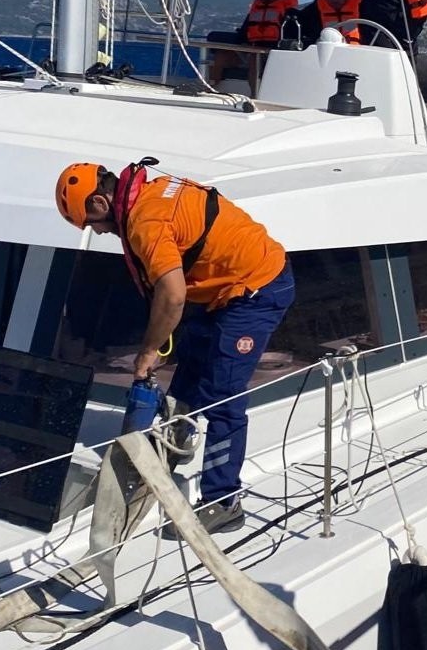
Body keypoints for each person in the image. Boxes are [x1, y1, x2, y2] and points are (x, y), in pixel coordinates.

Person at [54, 159, 295, 534]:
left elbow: (172, 294)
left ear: (101, 204)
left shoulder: (146, 223)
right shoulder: (150, 194)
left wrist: (147, 352)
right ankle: (170, 450)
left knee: (223, 396)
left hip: (255, 290)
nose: (99, 233)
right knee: (188, 374)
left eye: (92, 225)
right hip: (220, 291)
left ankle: (223, 502)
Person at [207, 0, 298, 85]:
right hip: (250, 48)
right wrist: (243, 42)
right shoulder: (256, 10)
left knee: (254, 59)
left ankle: (254, 96)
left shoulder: (290, 13)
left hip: (272, 52)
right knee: (220, 55)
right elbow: (243, 33)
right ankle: (211, 87)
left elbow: (291, 36)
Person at [294, 0, 363, 46]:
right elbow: (298, 26)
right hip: (326, 53)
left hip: (361, 53)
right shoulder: (314, 10)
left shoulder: (364, 5)